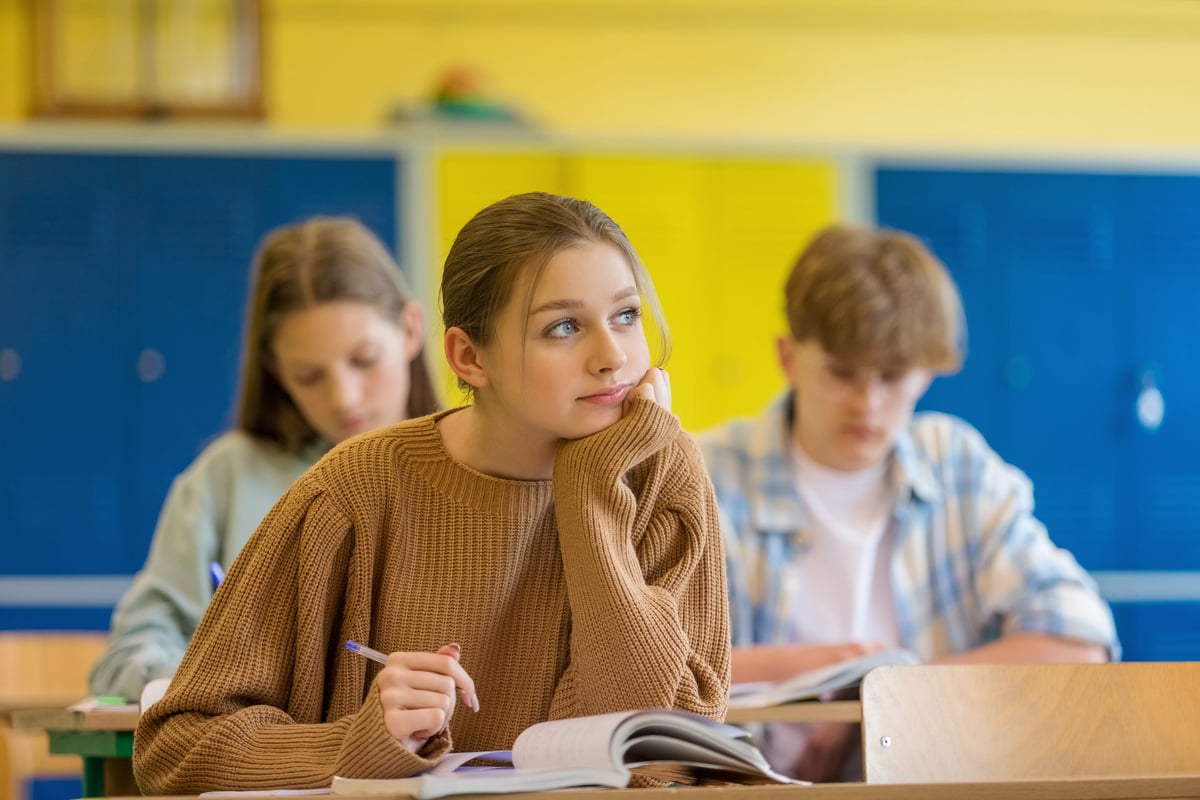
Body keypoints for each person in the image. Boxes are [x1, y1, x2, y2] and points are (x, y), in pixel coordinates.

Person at [132, 192, 731, 794]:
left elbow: (659, 757)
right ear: (469, 357)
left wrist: (594, 491)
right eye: (564, 327)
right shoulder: (354, 491)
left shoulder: (663, 475)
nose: (612, 357)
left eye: (626, 316)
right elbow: (175, 748)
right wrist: (363, 743)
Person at [697, 223, 1119, 781]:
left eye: (893, 376)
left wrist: (885, 698)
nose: (868, 404)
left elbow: (1080, 641)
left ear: (926, 373)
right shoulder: (705, 475)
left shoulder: (957, 464)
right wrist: (812, 671)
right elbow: (647, 677)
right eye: (842, 374)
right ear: (788, 358)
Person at [89, 216, 440, 701]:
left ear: (409, 330)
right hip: (269, 763)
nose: (344, 398)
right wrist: (212, 684)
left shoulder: (479, 466)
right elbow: (127, 656)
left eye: (363, 360)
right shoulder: (229, 477)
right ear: (275, 370)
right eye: (309, 375)